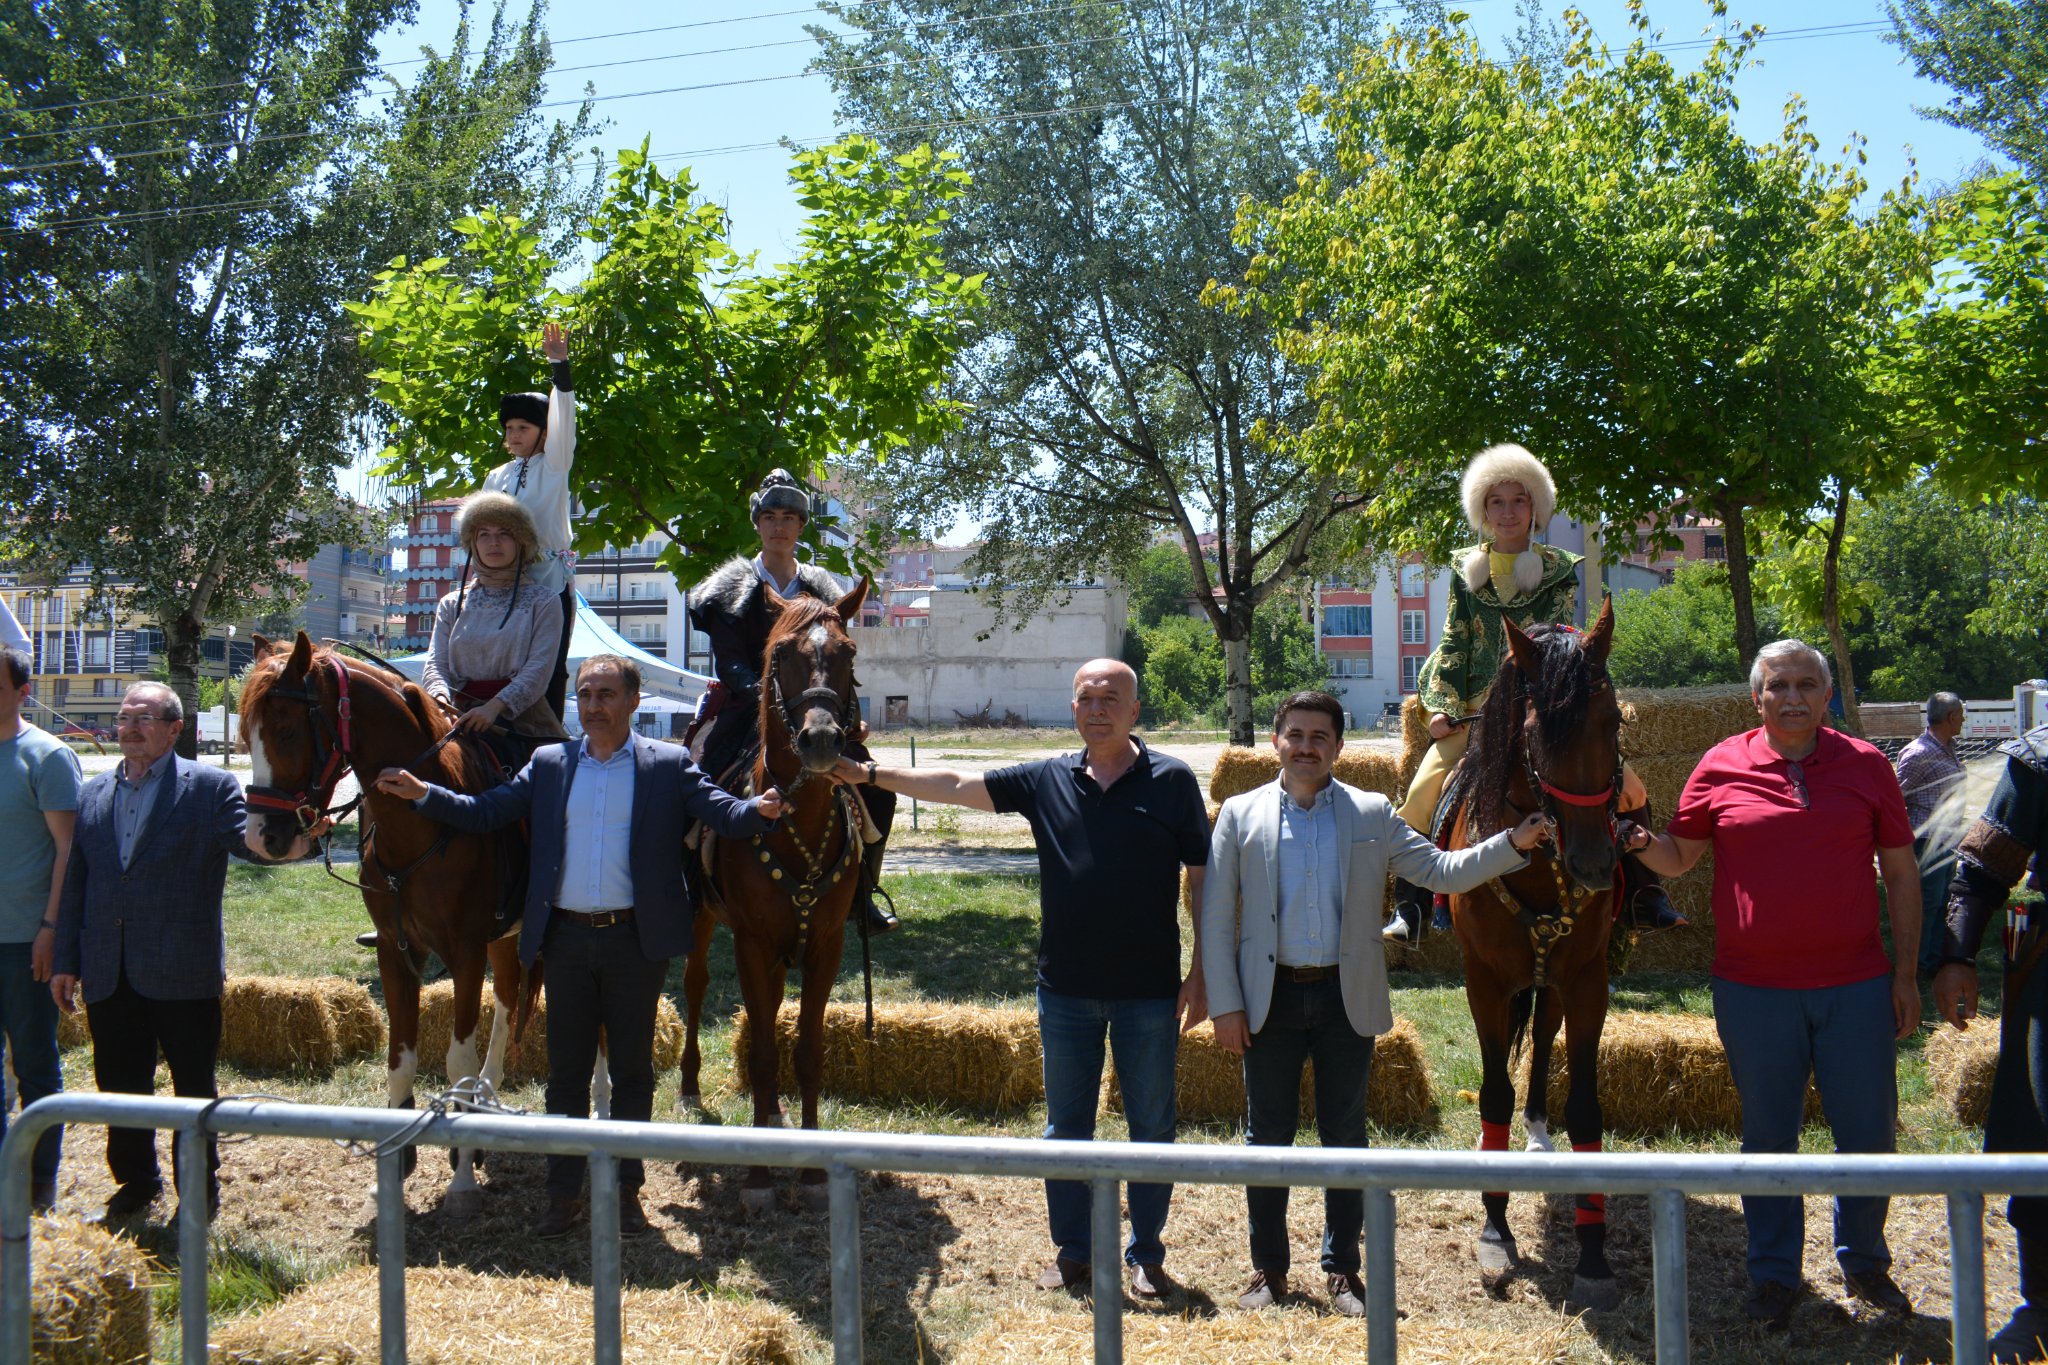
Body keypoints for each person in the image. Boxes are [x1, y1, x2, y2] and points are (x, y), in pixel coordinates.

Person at [831, 658, 1209, 1300]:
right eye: (1087, 697)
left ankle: (1145, 1255)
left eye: (1111, 698)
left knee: (1152, 1126)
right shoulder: (1046, 779)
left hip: (1150, 991)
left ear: (1134, 710)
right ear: (1072, 708)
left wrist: (1202, 972)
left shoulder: (1172, 780)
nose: (1098, 708)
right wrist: (868, 772)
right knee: (1067, 1130)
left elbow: (1203, 880)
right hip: (1064, 989)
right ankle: (1075, 1256)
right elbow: (954, 781)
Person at [374, 655, 783, 1239]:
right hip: (562, 940)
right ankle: (561, 1195)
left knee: (634, 1075)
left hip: (635, 944)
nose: (593, 705)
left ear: (633, 702)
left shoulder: (666, 764)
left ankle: (626, 1195)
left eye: (607, 694)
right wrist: (422, 795)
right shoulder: (549, 763)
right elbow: (485, 812)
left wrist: (760, 812)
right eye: (586, 694)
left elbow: (724, 811)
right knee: (564, 1077)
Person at [1201, 690, 1548, 1315]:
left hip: (1344, 998)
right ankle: (1267, 1269)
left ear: (1338, 746)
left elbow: (1441, 871)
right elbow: (1217, 913)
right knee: (1265, 1138)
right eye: (1295, 735)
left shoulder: (1370, 811)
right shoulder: (1239, 814)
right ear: (1277, 741)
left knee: (1346, 1137)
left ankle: (1342, 1269)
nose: (1306, 746)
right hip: (1267, 1001)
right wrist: (1225, 1004)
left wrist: (1512, 845)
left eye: (1319, 737)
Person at [1625, 639, 1920, 1328]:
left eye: (1806, 684)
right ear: (1756, 697)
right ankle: (1774, 1272)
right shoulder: (1720, 764)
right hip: (1754, 990)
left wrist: (1906, 974)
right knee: (1767, 1138)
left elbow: (1902, 873)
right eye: (1778, 684)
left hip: (1856, 986)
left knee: (1869, 1132)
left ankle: (1866, 1259)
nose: (1793, 696)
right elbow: (1679, 855)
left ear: (1827, 696)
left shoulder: (1868, 765)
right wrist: (1636, 841)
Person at [1385, 443, 1680, 943]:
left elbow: (1562, 636)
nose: (1507, 511)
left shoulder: (1560, 568)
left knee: (1631, 788)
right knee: (1420, 794)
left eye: (1519, 501)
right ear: (1483, 510)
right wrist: (1440, 711)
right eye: (1496, 502)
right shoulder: (1463, 570)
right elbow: (1453, 644)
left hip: (1545, 711)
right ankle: (1410, 907)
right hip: (1478, 713)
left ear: (1535, 509)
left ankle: (1644, 894)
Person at [49, 683, 250, 1224]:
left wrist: (298, 836)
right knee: (118, 1084)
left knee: (192, 1088)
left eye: (144, 718)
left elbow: (251, 844)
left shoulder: (209, 787)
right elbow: (76, 884)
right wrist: (67, 959)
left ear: (174, 729)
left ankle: (197, 1194)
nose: (130, 727)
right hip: (108, 968)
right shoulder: (93, 794)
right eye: (123, 718)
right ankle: (137, 1184)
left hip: (183, 969)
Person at [687, 468, 899, 934]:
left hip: (815, 713)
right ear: (757, 524)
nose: (779, 526)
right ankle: (686, 892)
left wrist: (851, 719)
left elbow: (837, 668)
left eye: (789, 517)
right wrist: (771, 701)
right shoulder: (729, 589)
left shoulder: (822, 588)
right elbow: (731, 663)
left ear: (802, 526)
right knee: (691, 782)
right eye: (770, 516)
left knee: (878, 787)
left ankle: (863, 893)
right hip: (746, 709)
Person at [1931, 720, 2048, 1362]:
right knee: (2040, 1128)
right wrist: (1956, 957)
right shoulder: (2044, 756)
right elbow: (1983, 866)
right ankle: (2044, 1306)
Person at [0, 646, 81, 1214]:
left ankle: (37, 1186)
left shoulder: (46, 757)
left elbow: (68, 851)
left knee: (34, 1064)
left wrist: (52, 928)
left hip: (23, 942)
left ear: (23, 692)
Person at [421, 491, 568, 764]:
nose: (494, 543)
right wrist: (441, 703)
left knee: (551, 790)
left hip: (524, 720)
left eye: (504, 533)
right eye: (483, 534)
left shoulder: (544, 601)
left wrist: (494, 708)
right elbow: (435, 664)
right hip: (455, 713)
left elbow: (538, 669)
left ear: (521, 541)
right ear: (472, 543)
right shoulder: (451, 603)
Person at [483, 320, 578, 722]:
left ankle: (549, 739)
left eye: (523, 427)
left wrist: (560, 367)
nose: (514, 435)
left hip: (548, 584)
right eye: (509, 428)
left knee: (548, 669)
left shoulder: (553, 465)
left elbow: (565, 423)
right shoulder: (497, 476)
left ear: (543, 433)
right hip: (502, 586)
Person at [1896, 691, 1967, 975]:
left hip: (1947, 839)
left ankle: (1934, 958)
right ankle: (1919, 963)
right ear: (1951, 717)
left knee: (1942, 901)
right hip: (1927, 841)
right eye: (1961, 715)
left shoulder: (1948, 748)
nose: (1963, 721)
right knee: (1928, 903)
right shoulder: (1919, 753)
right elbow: (1896, 797)